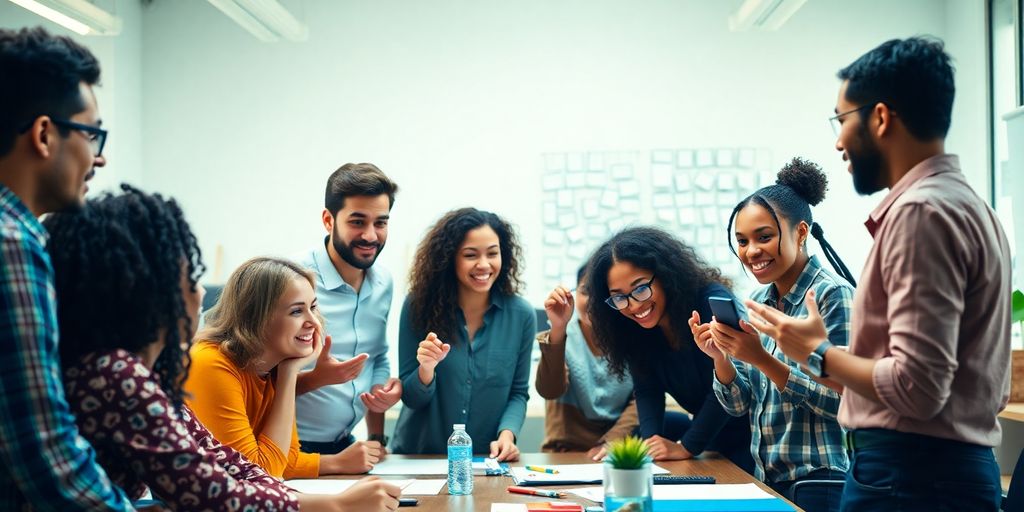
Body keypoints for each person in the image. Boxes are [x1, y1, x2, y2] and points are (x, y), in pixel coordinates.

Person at [749, 37, 1011, 511]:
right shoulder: (974, 208)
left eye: (842, 119)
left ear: (881, 118)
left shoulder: (922, 214)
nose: (838, 140)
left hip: (909, 480)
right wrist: (817, 356)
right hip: (943, 474)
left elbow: (918, 388)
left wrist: (816, 353)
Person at [45, 185, 402, 512]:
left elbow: (232, 466)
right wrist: (334, 507)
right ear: (143, 289)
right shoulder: (115, 374)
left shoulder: (145, 375)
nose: (200, 293)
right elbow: (210, 491)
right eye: (186, 276)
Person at [0, 26, 134, 511]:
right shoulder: (11, 244)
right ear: (42, 134)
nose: (99, 156)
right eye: (91, 132)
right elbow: (47, 457)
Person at [690, 158, 852, 511]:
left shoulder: (831, 294)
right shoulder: (761, 302)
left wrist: (761, 359)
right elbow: (739, 405)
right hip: (767, 480)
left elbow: (845, 404)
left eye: (764, 237)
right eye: (742, 241)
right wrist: (721, 359)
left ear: (801, 232)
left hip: (820, 482)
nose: (751, 252)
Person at [185, 257, 381, 477]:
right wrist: (289, 375)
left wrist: (337, 462)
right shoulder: (210, 364)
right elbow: (257, 473)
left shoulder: (272, 365)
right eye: (296, 311)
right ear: (256, 318)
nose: (314, 322)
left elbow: (283, 458)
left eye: (313, 307)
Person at [586, 226, 753, 473]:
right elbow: (647, 389)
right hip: (711, 440)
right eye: (619, 297)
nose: (633, 306)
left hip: (753, 438)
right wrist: (653, 443)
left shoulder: (710, 302)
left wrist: (686, 447)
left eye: (641, 288)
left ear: (665, 275)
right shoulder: (634, 328)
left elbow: (730, 388)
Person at [391, 207, 535, 460]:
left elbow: (517, 393)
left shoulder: (521, 315)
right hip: (420, 458)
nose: (484, 265)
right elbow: (412, 398)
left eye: (493, 253)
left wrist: (507, 434)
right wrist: (426, 369)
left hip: (485, 459)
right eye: (470, 255)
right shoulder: (417, 307)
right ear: (449, 259)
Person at [295, 163, 401, 467]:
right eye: (357, 222)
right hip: (291, 451)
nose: (370, 235)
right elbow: (258, 377)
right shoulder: (293, 280)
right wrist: (316, 378)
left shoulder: (384, 282)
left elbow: (377, 357)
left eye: (380, 222)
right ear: (328, 220)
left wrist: (376, 438)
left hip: (347, 446)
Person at [537, 264, 638, 456]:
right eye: (586, 291)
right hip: (564, 453)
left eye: (604, 294)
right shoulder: (562, 336)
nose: (594, 302)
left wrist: (612, 442)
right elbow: (549, 390)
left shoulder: (634, 340)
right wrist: (558, 329)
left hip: (617, 452)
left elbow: (643, 400)